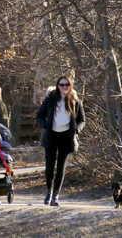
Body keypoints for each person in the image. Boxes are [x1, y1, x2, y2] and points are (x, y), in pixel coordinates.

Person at [36, 76, 85, 206]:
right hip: (51, 136)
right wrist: (45, 125)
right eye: (61, 84)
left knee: (61, 167)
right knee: (49, 166)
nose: (64, 87)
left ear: (70, 86)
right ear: (57, 86)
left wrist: (77, 130)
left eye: (67, 85)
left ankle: (56, 196)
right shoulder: (50, 99)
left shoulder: (75, 100)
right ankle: (49, 192)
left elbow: (82, 120)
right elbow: (39, 115)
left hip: (66, 137)